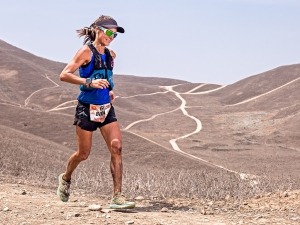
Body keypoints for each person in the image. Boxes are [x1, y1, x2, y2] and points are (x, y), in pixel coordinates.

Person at [57, 15, 135, 209]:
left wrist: (109, 90)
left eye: (115, 35)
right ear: (97, 30)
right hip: (86, 108)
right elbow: (64, 75)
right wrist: (89, 82)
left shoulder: (111, 55)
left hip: (106, 109)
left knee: (116, 147)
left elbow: (105, 77)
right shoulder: (85, 52)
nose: (111, 37)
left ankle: (117, 197)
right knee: (83, 154)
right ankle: (66, 178)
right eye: (109, 32)